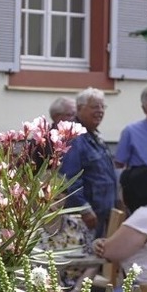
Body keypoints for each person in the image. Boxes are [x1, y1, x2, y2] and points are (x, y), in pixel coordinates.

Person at [59, 88, 117, 237]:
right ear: (79, 108)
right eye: (95, 106)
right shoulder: (74, 137)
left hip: (103, 214)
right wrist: (83, 208)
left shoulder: (94, 135)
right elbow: (68, 178)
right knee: (88, 257)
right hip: (86, 217)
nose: (100, 111)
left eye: (102, 106)